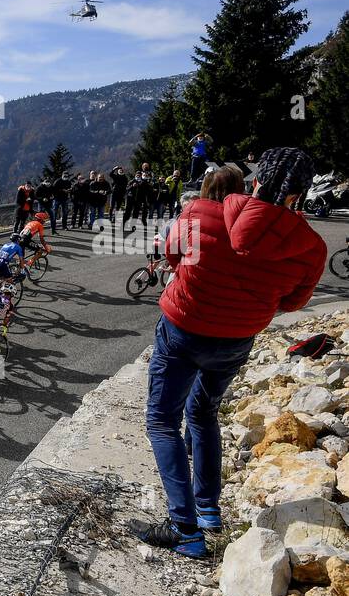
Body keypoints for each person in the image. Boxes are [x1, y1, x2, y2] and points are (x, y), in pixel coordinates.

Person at [137, 149, 327, 559]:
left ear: (258, 180)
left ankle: (184, 529)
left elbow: (171, 255)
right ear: (300, 195)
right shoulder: (311, 246)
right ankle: (207, 511)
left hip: (182, 330)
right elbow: (294, 304)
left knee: (162, 421)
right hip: (236, 340)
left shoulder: (198, 213)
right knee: (203, 413)